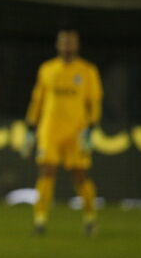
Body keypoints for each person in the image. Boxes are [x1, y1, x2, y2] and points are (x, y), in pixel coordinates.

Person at [20, 29, 103, 236]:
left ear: (77, 46)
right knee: (47, 171)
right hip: (50, 130)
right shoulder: (47, 69)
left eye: (71, 43)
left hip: (77, 130)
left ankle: (90, 218)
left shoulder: (87, 70)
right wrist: (31, 127)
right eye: (64, 42)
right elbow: (38, 99)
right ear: (58, 45)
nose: (67, 46)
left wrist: (91, 128)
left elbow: (94, 101)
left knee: (80, 175)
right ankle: (40, 220)